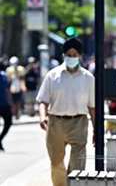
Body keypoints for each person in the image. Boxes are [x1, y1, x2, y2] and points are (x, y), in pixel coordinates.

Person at [37, 38, 95, 186]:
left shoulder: (88, 78)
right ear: (64, 55)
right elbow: (43, 100)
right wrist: (43, 117)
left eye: (75, 54)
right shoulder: (52, 76)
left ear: (80, 56)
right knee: (56, 163)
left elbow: (92, 106)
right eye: (69, 54)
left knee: (77, 166)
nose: (72, 57)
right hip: (56, 123)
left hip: (79, 122)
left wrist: (96, 128)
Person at [0, 66, 13, 151]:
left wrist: (10, 102)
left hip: (4, 104)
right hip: (3, 104)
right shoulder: (4, 75)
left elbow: (7, 90)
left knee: (8, 123)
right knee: (8, 123)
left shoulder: (4, 76)